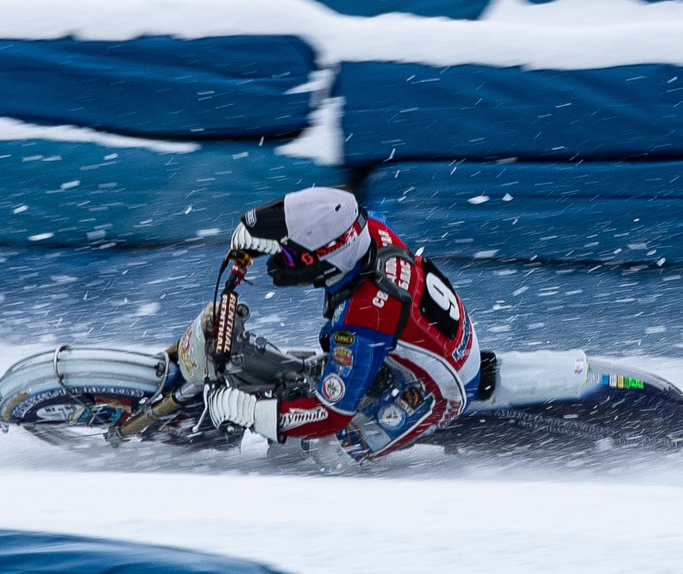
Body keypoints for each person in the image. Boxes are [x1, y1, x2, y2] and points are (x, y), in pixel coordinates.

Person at [168, 185, 477, 466]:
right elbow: (319, 214)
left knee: (322, 446)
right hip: (426, 339)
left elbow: (330, 415)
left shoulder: (363, 316)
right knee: (313, 373)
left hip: (439, 389)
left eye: (288, 254)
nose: (280, 262)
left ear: (327, 258)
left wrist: (248, 412)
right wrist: (260, 233)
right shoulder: (369, 230)